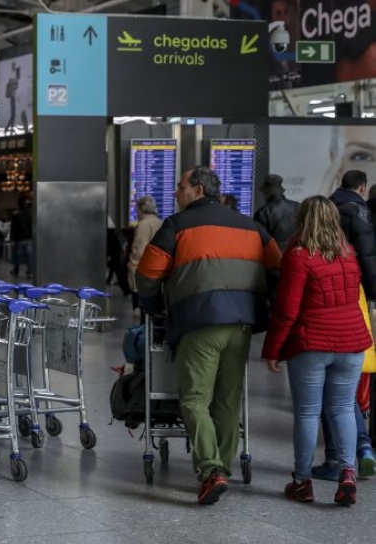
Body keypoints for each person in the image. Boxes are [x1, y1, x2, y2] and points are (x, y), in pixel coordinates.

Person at [136, 167, 281, 505]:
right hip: (242, 325)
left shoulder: (176, 226)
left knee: (194, 399)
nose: (175, 193)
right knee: (228, 400)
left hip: (200, 322)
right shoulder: (252, 227)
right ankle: (224, 469)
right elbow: (277, 268)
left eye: (180, 186)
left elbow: (146, 275)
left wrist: (156, 304)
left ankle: (211, 469)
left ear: (197, 190)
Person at [262, 195, 371, 506]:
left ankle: (302, 481)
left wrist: (273, 350)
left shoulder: (298, 256)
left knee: (308, 413)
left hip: (312, 344)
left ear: (303, 219)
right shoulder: (348, 253)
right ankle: (347, 474)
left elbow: (286, 311)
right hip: (352, 343)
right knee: (343, 409)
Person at [313, 169, 376, 480]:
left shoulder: (306, 250)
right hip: (357, 310)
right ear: (361, 187)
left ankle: (335, 459)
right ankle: (362, 447)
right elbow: (368, 260)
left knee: (327, 396)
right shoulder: (359, 215)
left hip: (320, 328)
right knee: (348, 391)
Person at [127, 196, 163, 319]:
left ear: (141, 208)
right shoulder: (160, 222)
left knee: (144, 310)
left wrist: (132, 265)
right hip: (159, 270)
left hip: (144, 270)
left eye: (136, 208)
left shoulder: (143, 225)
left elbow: (139, 249)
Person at [254, 174, 300, 252]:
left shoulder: (263, 212)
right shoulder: (298, 207)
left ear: (267, 191)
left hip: (274, 257)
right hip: (295, 254)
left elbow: (259, 240)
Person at [10, 195, 33, 278]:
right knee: (29, 256)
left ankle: (16, 270)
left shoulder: (16, 214)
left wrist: (12, 239)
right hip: (29, 237)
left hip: (19, 238)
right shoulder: (31, 213)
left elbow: (13, 228)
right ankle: (29, 271)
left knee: (17, 255)